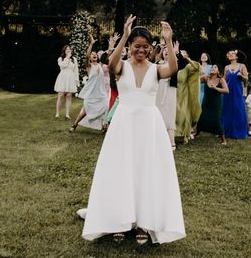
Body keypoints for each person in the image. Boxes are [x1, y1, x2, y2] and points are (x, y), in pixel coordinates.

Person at [78, 15, 185, 245]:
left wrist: (168, 40)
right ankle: (118, 221)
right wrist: (124, 35)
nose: (141, 50)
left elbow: (174, 68)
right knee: (121, 168)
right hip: (124, 124)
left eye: (145, 47)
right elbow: (110, 63)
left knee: (146, 172)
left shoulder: (156, 70)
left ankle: (144, 224)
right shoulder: (122, 67)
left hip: (149, 126)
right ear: (130, 47)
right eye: (137, 46)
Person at [70, 35, 108, 132]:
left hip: (101, 93)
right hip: (91, 94)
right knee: (85, 111)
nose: (94, 54)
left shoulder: (101, 65)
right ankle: (75, 124)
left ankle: (104, 126)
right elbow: (86, 56)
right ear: (90, 58)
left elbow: (109, 56)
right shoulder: (89, 66)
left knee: (105, 107)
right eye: (92, 54)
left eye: (95, 54)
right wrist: (91, 44)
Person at [195, 64, 228, 145]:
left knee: (216, 120)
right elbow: (195, 80)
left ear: (218, 71)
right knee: (202, 118)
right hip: (206, 102)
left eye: (215, 67)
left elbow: (226, 91)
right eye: (212, 67)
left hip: (216, 104)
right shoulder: (206, 77)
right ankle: (196, 133)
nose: (213, 68)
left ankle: (223, 140)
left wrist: (215, 88)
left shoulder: (221, 80)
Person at [175, 48, 202, 144]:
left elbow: (197, 68)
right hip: (174, 93)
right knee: (175, 115)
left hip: (185, 93)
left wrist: (188, 59)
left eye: (184, 53)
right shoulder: (172, 66)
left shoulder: (188, 67)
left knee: (184, 114)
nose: (182, 54)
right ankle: (174, 133)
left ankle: (185, 135)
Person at [222, 50, 249, 139]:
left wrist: (242, 76)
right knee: (227, 111)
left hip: (238, 92)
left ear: (236, 57)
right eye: (228, 54)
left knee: (239, 110)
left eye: (232, 53)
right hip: (228, 92)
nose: (230, 55)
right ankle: (226, 131)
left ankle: (239, 132)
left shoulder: (242, 66)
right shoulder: (226, 67)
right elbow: (224, 80)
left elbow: (246, 79)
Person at [156, 46, 177, 150]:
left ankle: (171, 141)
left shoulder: (175, 64)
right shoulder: (158, 64)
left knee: (170, 112)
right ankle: (158, 140)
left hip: (170, 89)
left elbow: (179, 66)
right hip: (159, 90)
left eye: (168, 51)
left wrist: (176, 53)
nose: (166, 52)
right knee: (158, 111)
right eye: (165, 50)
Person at [54, 45, 79, 120]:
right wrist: (67, 58)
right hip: (63, 78)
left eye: (69, 49)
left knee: (69, 96)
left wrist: (76, 81)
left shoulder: (74, 59)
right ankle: (57, 113)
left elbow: (76, 70)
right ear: (64, 51)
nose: (68, 50)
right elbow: (62, 66)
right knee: (61, 95)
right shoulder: (60, 59)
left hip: (71, 78)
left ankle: (67, 114)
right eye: (67, 49)